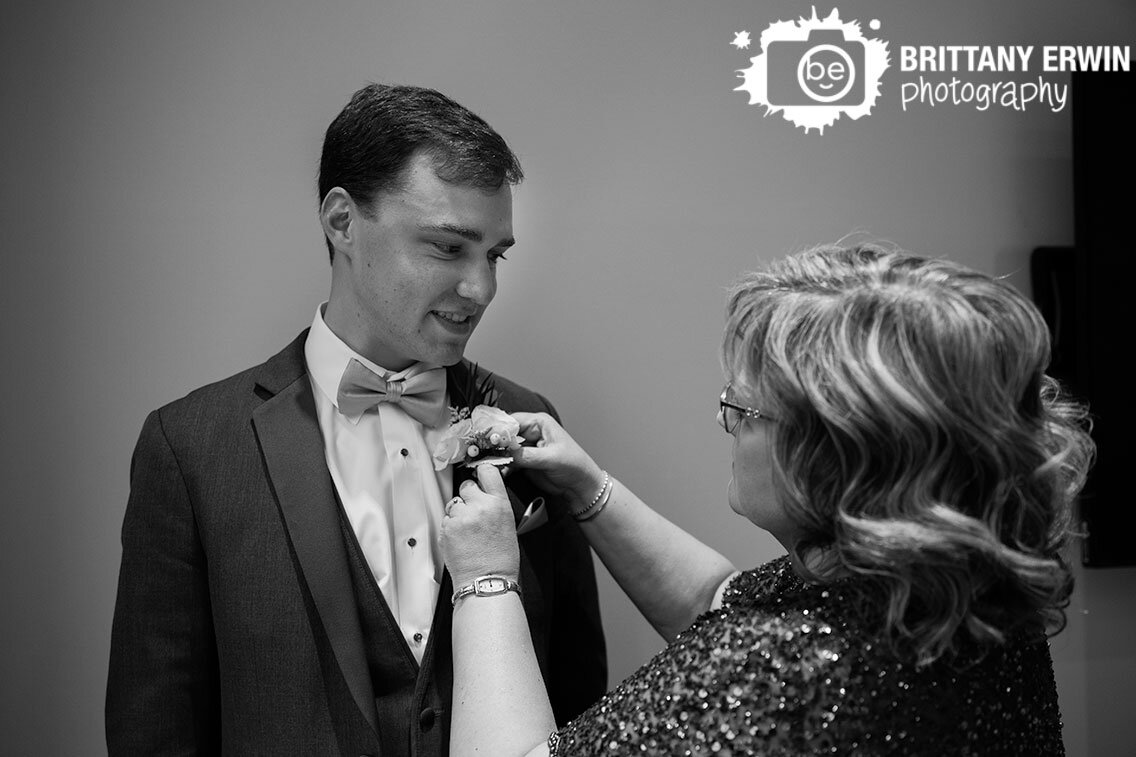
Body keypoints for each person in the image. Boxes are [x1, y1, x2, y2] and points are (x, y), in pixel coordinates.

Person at [106, 83, 606, 756]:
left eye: (495, 254)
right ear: (343, 222)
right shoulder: (192, 447)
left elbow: (580, 707)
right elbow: (156, 731)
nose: (482, 288)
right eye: (448, 247)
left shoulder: (530, 424)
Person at [440, 243, 1093, 756]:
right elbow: (717, 603)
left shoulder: (788, 669)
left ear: (833, 452)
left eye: (745, 409)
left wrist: (486, 580)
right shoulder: (962, 592)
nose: (727, 421)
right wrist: (589, 486)